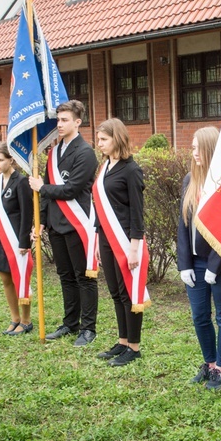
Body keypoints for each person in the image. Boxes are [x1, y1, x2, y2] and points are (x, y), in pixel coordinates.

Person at [28, 100, 99, 346]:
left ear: (77, 122)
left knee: (84, 278)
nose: (59, 124)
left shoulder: (86, 152)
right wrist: (41, 222)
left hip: (78, 224)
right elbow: (47, 195)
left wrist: (41, 187)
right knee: (65, 276)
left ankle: (88, 329)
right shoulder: (54, 151)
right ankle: (70, 323)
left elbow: (71, 190)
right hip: (57, 225)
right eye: (58, 120)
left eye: (65, 120)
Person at [177, 126, 221, 390]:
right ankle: (209, 363)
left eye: (197, 147)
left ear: (210, 148)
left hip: (220, 263)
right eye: (192, 147)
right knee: (200, 316)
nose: (194, 152)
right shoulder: (190, 179)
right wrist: (184, 264)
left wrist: (215, 265)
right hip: (195, 263)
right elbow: (182, 225)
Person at [93, 118, 150, 367]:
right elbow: (98, 207)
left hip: (126, 240)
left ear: (117, 138)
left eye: (104, 139)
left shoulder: (131, 170)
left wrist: (135, 246)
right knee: (116, 292)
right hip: (105, 238)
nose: (99, 144)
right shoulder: (104, 166)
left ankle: (134, 347)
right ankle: (123, 340)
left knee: (129, 293)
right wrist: (96, 240)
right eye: (98, 139)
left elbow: (138, 212)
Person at [0, 143, 34, 336]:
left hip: (15, 239)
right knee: (5, 279)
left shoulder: (21, 181)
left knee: (19, 278)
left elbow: (26, 213)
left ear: (11, 160)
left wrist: (24, 242)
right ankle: (14, 318)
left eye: (0, 160)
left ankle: (26, 320)